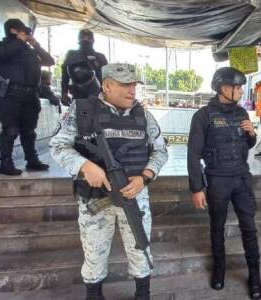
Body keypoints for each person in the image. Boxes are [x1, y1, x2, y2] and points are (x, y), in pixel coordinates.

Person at [49, 63, 168, 300]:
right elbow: (58, 145)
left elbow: (160, 151)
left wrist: (145, 177)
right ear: (107, 85)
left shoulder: (143, 114)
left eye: (134, 85)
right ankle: (94, 295)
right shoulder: (82, 111)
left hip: (134, 196)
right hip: (96, 198)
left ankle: (143, 294)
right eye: (125, 85)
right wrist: (85, 166)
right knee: (94, 253)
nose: (132, 90)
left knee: (140, 249)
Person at [187, 67, 261, 299]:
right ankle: (219, 269)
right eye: (237, 87)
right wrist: (197, 187)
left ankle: (255, 276)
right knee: (217, 227)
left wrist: (252, 135)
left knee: (249, 227)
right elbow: (193, 154)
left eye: (241, 87)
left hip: (241, 179)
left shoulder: (242, 113)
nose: (241, 91)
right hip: (217, 180)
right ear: (223, 88)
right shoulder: (203, 116)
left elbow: (246, 146)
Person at [0, 18, 55, 175]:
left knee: (29, 131)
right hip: (9, 94)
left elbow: (49, 61)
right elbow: (1, 55)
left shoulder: (29, 50)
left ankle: (32, 160)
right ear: (13, 30)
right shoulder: (0, 46)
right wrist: (19, 40)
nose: (26, 34)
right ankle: (6, 163)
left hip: (30, 94)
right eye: (23, 31)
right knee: (10, 130)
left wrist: (36, 45)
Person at [61, 29, 108, 105]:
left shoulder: (100, 57)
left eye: (88, 38)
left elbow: (108, 78)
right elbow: (65, 76)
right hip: (79, 95)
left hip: (97, 96)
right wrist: (64, 93)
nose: (85, 40)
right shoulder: (72, 55)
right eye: (83, 38)